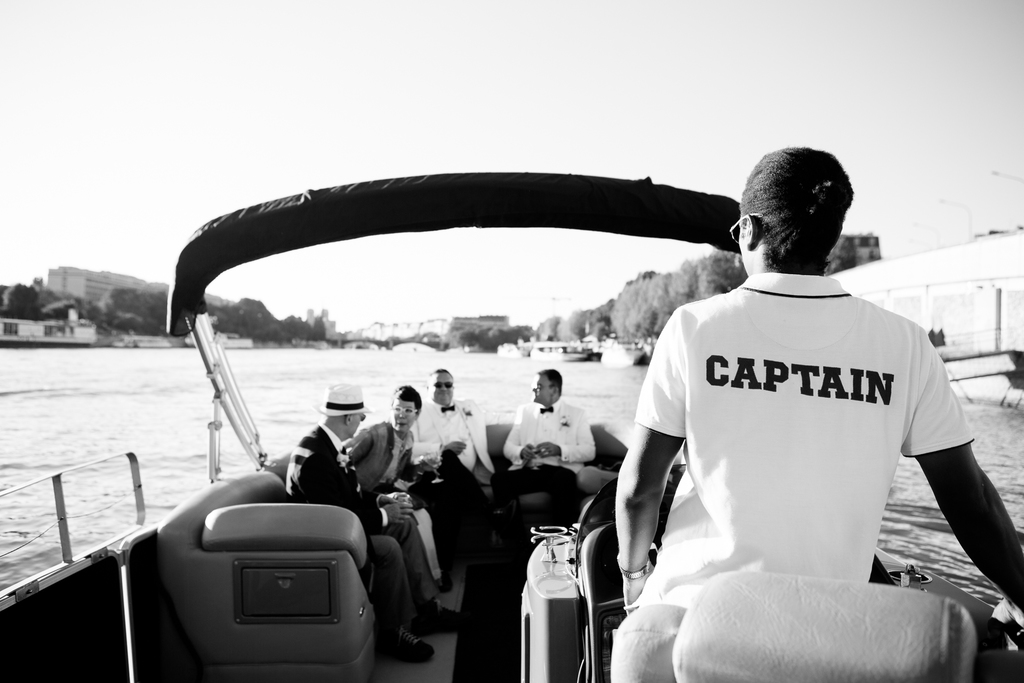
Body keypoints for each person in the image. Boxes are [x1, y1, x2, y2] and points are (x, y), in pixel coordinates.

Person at [612, 147, 1024, 681]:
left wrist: (633, 574)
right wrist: (1019, 592)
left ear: (746, 230)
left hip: (698, 624)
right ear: (831, 236)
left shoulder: (695, 327)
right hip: (831, 637)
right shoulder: (904, 343)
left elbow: (639, 490)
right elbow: (970, 499)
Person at [285, 383, 466, 663]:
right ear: (348, 418)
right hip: (326, 539)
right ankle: (392, 632)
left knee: (405, 522)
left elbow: (353, 494)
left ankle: (426, 609)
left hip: (345, 523)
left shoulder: (328, 446)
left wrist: (382, 501)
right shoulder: (317, 457)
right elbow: (336, 519)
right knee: (389, 548)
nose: (362, 421)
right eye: (360, 416)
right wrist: (383, 516)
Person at [410, 369, 518, 588]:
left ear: (453, 386)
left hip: (459, 480)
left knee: (448, 498)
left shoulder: (467, 406)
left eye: (447, 384)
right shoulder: (418, 413)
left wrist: (527, 416)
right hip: (427, 476)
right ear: (428, 388)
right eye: (438, 385)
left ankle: (443, 570)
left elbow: (495, 417)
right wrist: (440, 449)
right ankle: (490, 511)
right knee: (448, 457)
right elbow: (408, 445)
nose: (443, 389)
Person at [491, 369, 596, 527]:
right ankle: (517, 543)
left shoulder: (577, 414)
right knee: (498, 480)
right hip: (530, 471)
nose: (533, 389)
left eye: (538, 386)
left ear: (554, 389)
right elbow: (508, 447)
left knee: (564, 479)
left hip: (560, 471)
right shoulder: (524, 411)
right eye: (533, 386)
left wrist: (560, 450)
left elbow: (589, 451)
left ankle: (563, 539)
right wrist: (521, 451)